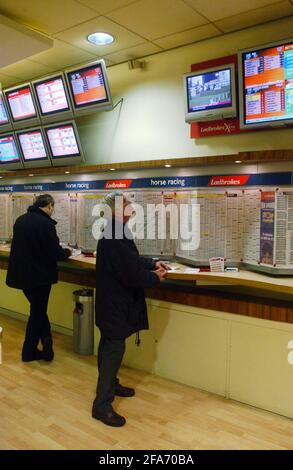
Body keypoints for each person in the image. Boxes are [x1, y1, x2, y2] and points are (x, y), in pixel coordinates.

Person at [92, 192, 168, 427]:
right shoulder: (114, 233)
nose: (132, 209)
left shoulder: (116, 230)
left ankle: (111, 385)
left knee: (109, 346)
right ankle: (101, 406)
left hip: (111, 303)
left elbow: (131, 259)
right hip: (116, 303)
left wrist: (152, 263)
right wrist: (154, 278)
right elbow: (129, 273)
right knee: (113, 349)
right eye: (128, 205)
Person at [6, 194, 71, 362]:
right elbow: (55, 253)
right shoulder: (45, 224)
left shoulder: (21, 220)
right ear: (49, 206)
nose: (52, 211)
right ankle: (28, 352)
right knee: (37, 313)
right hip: (39, 277)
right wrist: (68, 252)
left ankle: (47, 346)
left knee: (38, 311)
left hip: (21, 276)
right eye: (52, 208)